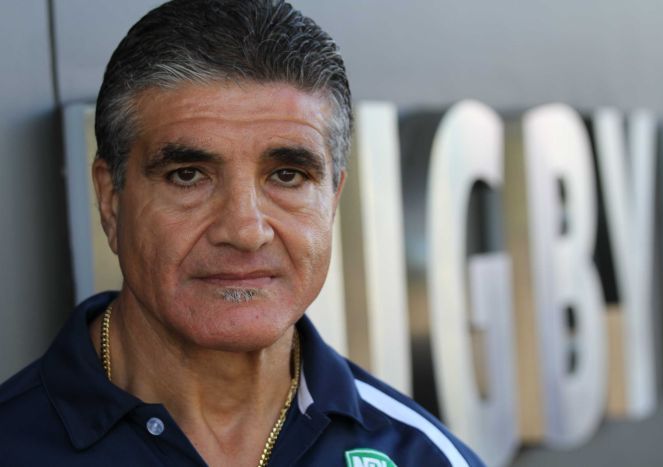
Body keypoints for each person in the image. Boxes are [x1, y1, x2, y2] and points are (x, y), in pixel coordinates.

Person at [0, 1, 485, 465]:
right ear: (111, 200)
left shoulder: (426, 457)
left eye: (287, 176)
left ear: (332, 199)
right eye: (188, 174)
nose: (245, 230)